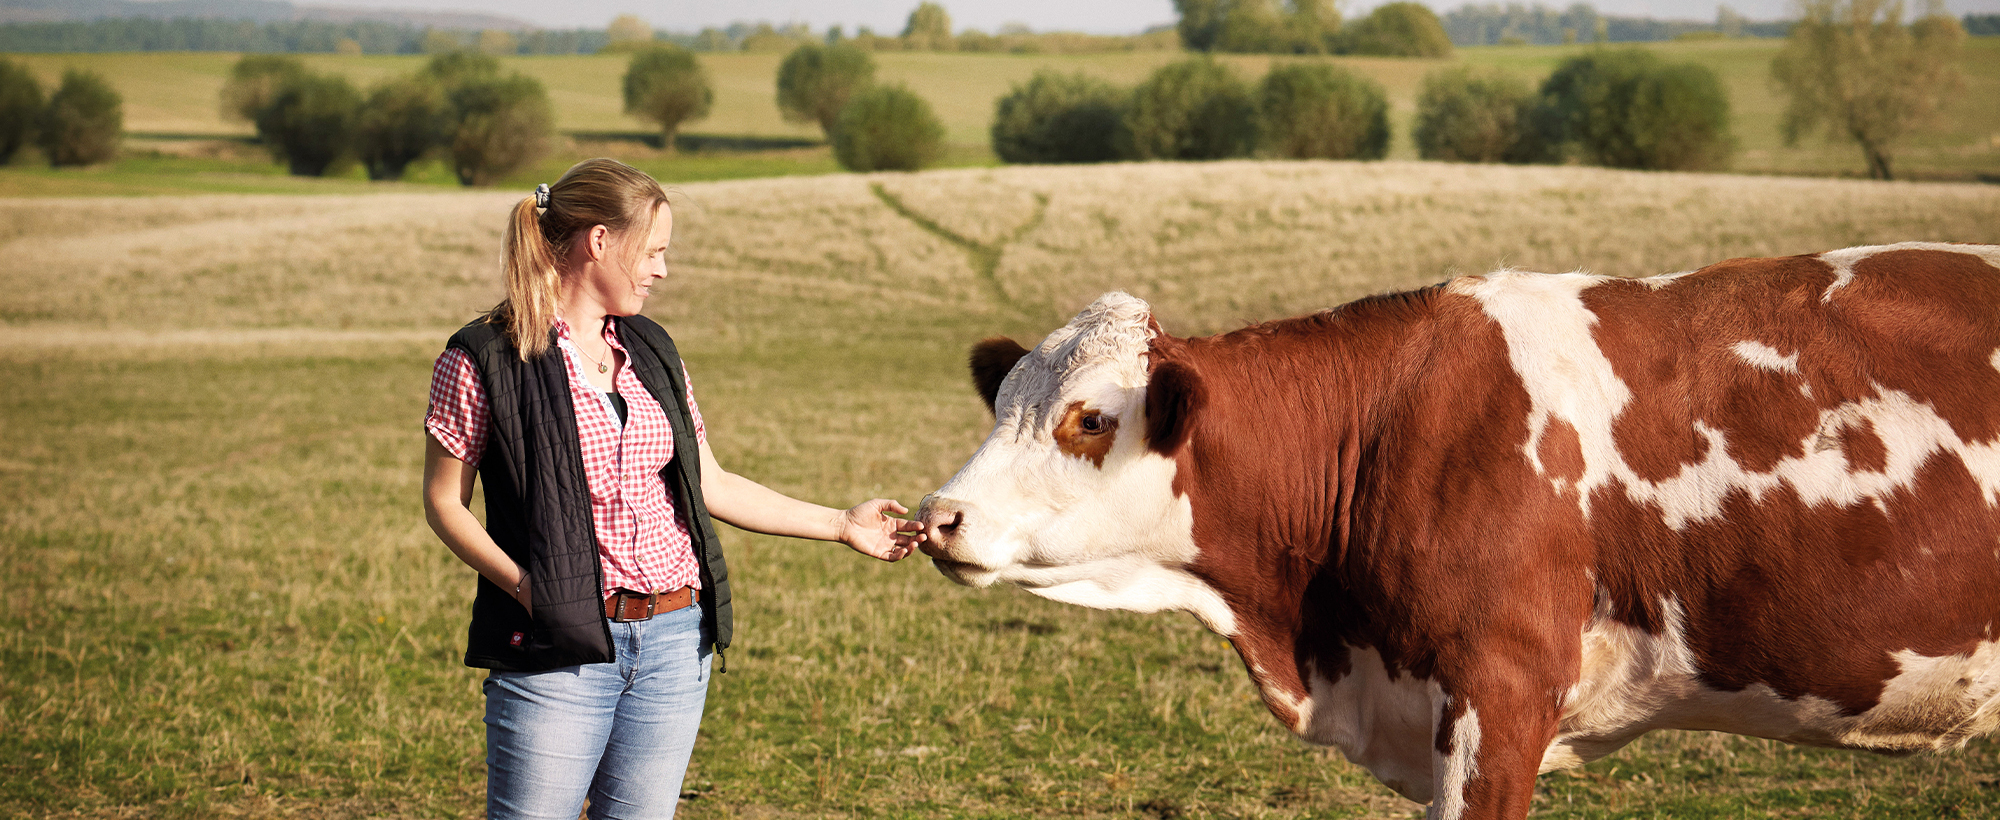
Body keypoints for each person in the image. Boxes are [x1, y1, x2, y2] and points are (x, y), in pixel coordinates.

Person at [421, 157, 925, 820]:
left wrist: (840, 523)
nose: (662, 269)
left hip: (673, 640)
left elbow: (709, 482)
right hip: (556, 651)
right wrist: (524, 585)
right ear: (599, 241)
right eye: (653, 251)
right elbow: (442, 503)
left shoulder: (653, 347)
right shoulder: (483, 356)